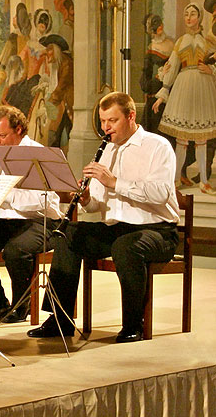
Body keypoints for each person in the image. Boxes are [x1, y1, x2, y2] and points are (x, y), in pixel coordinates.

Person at [28, 93, 179, 343]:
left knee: (126, 247)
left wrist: (114, 182)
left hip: (158, 230)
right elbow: (99, 203)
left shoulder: (157, 146)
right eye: (102, 120)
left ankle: (134, 324)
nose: (105, 128)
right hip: (118, 229)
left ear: (131, 116)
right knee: (68, 234)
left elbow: (161, 194)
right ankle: (59, 319)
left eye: (112, 120)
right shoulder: (107, 149)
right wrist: (87, 198)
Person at [0, 106, 60, 323]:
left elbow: (42, 201)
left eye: (2, 135)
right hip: (5, 220)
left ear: (18, 130)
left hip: (39, 220)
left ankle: (21, 305)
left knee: (16, 251)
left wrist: (5, 194)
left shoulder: (38, 155)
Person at [152, 3, 216, 195]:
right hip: (184, 87)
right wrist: (163, 94)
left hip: (204, 87)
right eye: (186, 14)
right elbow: (172, 67)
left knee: (202, 137)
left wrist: (211, 69)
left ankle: (204, 181)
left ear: (199, 18)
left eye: (193, 14)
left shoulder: (208, 42)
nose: (189, 18)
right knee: (182, 139)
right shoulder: (180, 42)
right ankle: (175, 179)